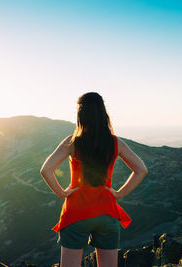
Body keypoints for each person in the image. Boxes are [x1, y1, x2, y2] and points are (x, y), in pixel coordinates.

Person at [40, 92, 148, 267]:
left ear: (81, 115)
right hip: (107, 213)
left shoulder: (72, 142)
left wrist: (62, 193)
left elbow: (46, 170)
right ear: (103, 114)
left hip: (76, 214)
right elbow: (141, 170)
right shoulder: (115, 143)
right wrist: (119, 193)